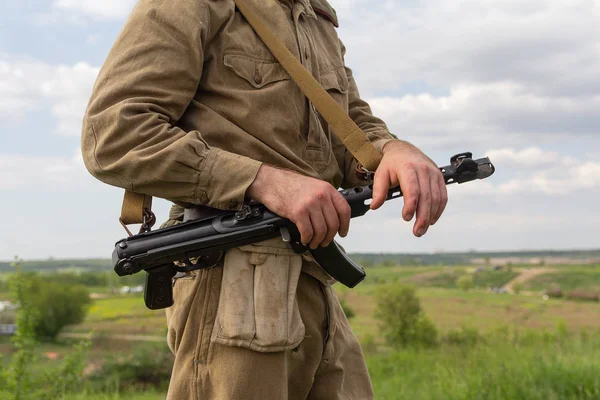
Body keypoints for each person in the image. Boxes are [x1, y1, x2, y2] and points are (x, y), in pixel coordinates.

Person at [81, 0, 448, 398]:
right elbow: (114, 134)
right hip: (231, 276)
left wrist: (390, 150)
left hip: (312, 273)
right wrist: (264, 182)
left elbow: (348, 125)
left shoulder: (316, 15)